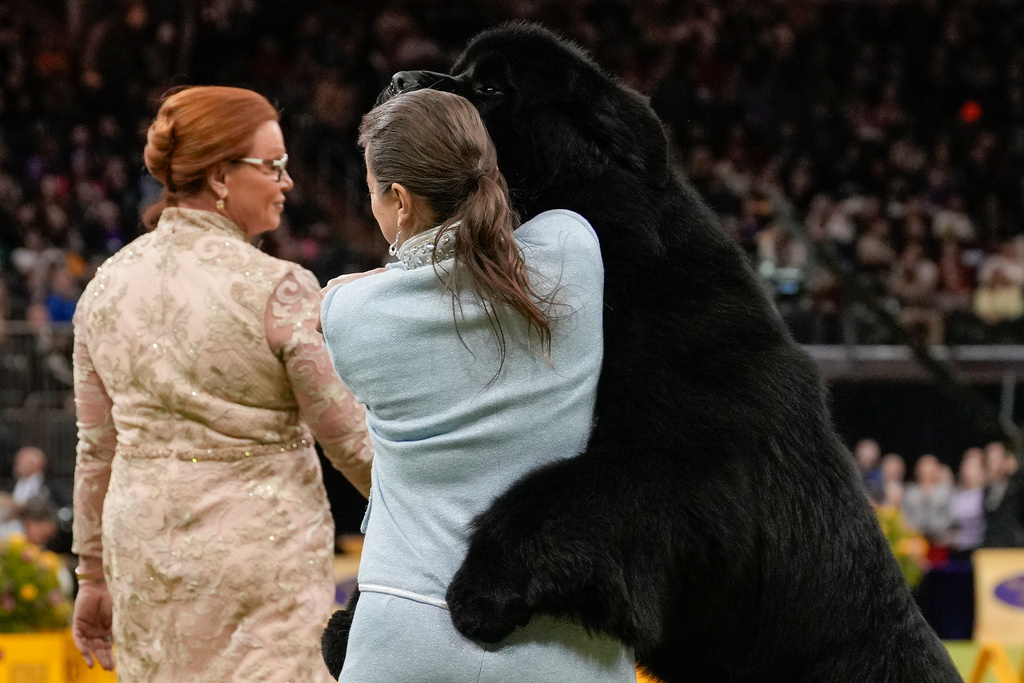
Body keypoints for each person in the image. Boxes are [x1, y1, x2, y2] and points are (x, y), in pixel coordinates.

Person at [319, 89, 634, 682]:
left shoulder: (353, 315)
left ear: (400, 201)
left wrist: (355, 286)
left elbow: (392, 287)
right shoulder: (574, 250)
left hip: (409, 635)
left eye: (372, 193)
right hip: (568, 638)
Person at [70, 86, 373, 681]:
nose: (287, 182)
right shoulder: (279, 289)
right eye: (274, 166)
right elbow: (353, 445)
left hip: (144, 561)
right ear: (219, 176)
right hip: (260, 569)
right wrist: (445, 517)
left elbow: (95, 451)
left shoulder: (104, 286)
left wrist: (91, 576)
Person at [902, 454, 954, 543]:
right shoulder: (910, 491)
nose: (927, 471)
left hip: (940, 540)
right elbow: (904, 515)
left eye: (931, 468)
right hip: (915, 540)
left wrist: (935, 528)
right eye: (924, 468)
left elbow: (951, 515)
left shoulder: (946, 490)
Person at [982, 441, 1024, 547]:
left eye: (996, 459)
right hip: (991, 545)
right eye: (989, 460)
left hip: (1013, 545)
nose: (993, 464)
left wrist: (1016, 471)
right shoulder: (985, 488)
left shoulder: (1015, 486)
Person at [949, 448, 986, 556]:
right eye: (966, 465)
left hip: (980, 551)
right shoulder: (955, 494)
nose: (969, 471)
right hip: (956, 551)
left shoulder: (987, 496)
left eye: (974, 466)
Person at [854, 438, 884, 503]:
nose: (868, 461)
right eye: (865, 457)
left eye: (871, 459)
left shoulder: (880, 474)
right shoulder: (851, 472)